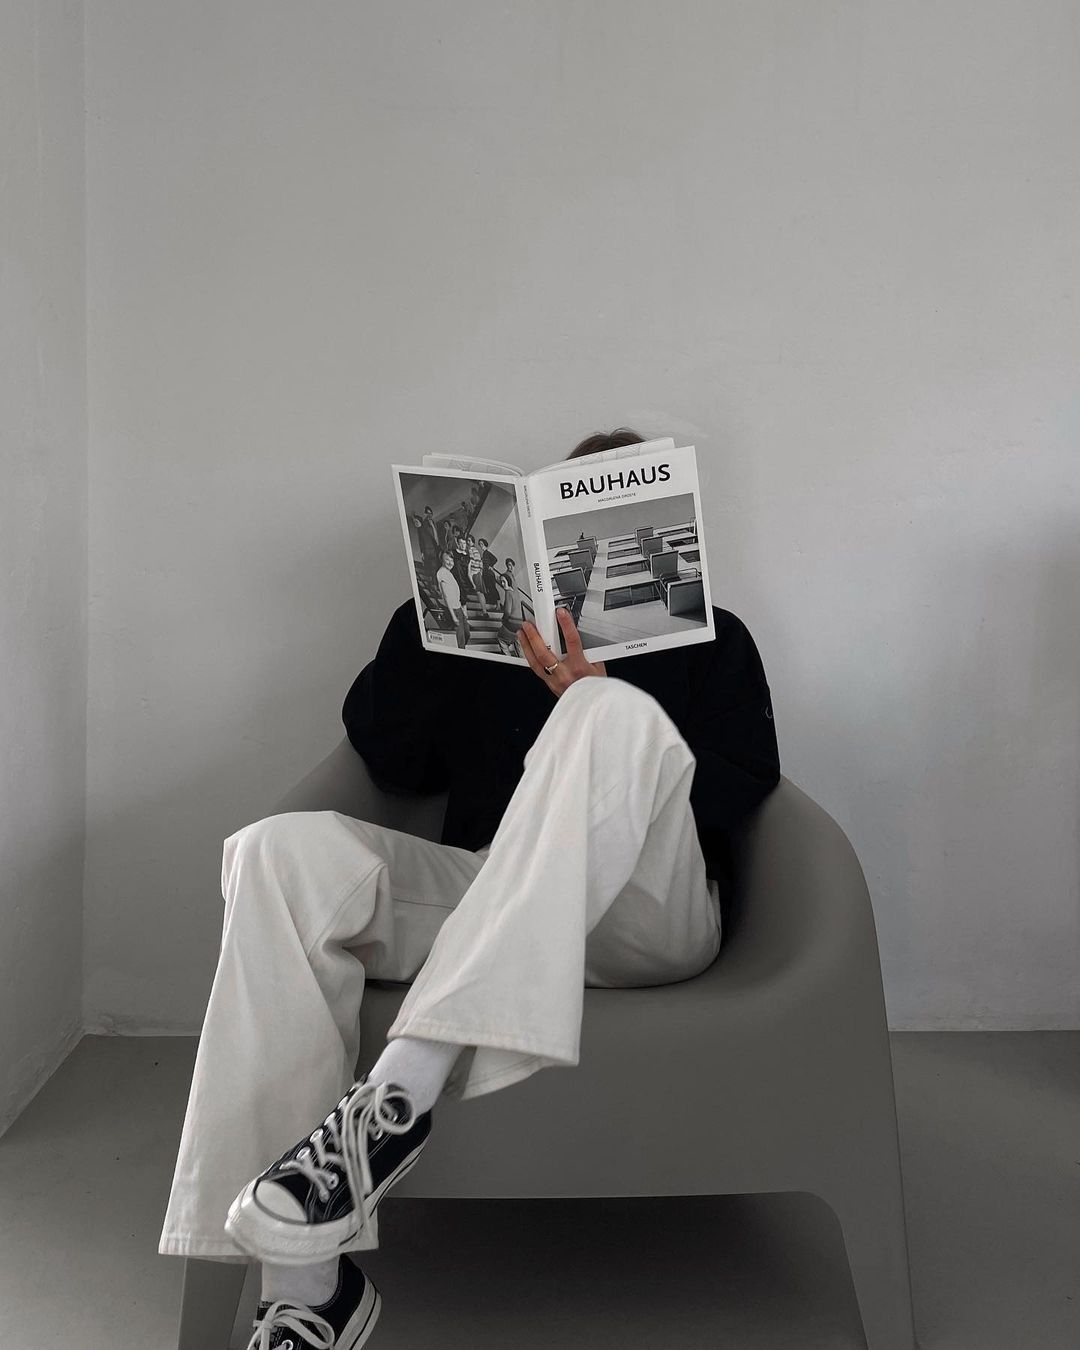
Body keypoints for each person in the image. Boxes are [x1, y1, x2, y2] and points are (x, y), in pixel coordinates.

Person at [159, 427, 781, 1350]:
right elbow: (391, 758)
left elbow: (746, 787)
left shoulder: (714, 637)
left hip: (649, 914)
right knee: (274, 852)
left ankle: (395, 1100)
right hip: (492, 895)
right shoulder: (487, 637)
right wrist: (429, 621)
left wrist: (599, 708)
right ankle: (305, 1291)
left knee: (608, 711)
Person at [435, 550, 470, 649]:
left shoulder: (449, 573)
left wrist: (462, 609)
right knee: (461, 641)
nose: (450, 562)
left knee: (467, 633)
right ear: (442, 560)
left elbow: (454, 594)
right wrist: (453, 616)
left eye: (452, 560)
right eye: (447, 560)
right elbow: (446, 597)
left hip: (458, 608)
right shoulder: (442, 573)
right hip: (453, 610)